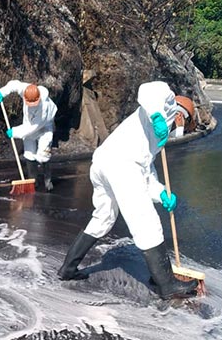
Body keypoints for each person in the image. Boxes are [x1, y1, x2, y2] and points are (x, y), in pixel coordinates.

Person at [57, 81, 198, 300]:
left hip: (104, 162)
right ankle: (165, 284)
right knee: (146, 221)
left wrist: (160, 193)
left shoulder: (152, 136)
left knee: (103, 217)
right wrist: (159, 118)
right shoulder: (165, 104)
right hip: (121, 165)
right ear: (182, 117)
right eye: (184, 125)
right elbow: (148, 89)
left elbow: (146, 168)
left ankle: (68, 269)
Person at [0, 80, 58, 191]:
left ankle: (48, 180)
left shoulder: (44, 107)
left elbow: (33, 127)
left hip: (44, 126)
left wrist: (14, 132)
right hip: (28, 122)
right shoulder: (26, 89)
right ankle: (33, 181)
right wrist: (3, 92)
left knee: (44, 154)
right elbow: (14, 85)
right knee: (29, 152)